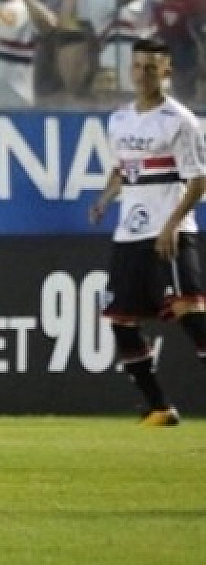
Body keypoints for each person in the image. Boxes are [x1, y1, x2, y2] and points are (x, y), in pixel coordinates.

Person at [88, 38, 206, 427]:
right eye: (137, 67)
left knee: (189, 312)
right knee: (121, 319)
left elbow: (198, 181)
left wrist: (172, 224)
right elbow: (125, 170)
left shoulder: (180, 121)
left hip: (168, 231)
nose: (142, 75)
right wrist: (106, 198)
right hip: (130, 233)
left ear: (167, 71)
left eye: (151, 68)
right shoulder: (120, 119)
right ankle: (158, 406)